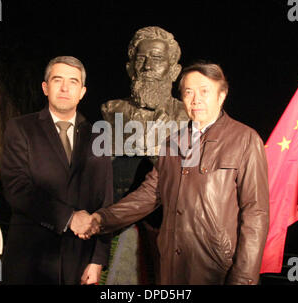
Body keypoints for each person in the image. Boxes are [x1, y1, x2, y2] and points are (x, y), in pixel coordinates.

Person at [76, 62, 269, 285]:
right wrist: (101, 219)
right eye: (189, 92)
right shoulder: (172, 143)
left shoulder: (245, 140)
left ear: (222, 95)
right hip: (170, 267)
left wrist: (244, 279)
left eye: (204, 91)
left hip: (217, 269)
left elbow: (256, 213)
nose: (196, 99)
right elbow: (149, 195)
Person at [0, 56, 113, 285]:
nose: (64, 88)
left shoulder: (98, 137)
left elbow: (106, 201)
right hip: (29, 261)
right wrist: (69, 217)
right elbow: (17, 189)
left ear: (82, 91)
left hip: (80, 262)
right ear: (45, 87)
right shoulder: (20, 128)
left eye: (73, 82)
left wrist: (98, 259)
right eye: (57, 80)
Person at [101, 26, 188, 155]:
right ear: (130, 69)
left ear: (174, 71)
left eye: (157, 59)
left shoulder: (186, 115)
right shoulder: (112, 111)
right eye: (141, 58)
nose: (147, 66)